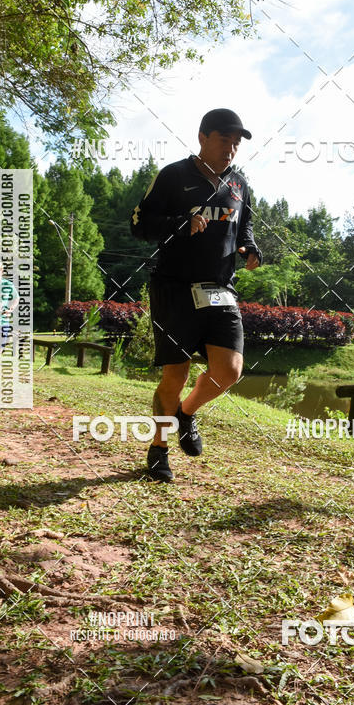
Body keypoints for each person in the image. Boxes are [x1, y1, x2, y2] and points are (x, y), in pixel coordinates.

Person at [131, 108, 262, 481]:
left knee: (230, 370)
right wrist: (179, 222)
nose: (231, 149)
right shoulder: (174, 175)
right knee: (176, 372)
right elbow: (138, 224)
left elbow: (244, 225)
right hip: (174, 287)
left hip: (220, 289)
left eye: (236, 143)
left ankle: (185, 414)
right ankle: (158, 449)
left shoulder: (239, 183)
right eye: (225, 140)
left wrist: (250, 248)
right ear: (203, 136)